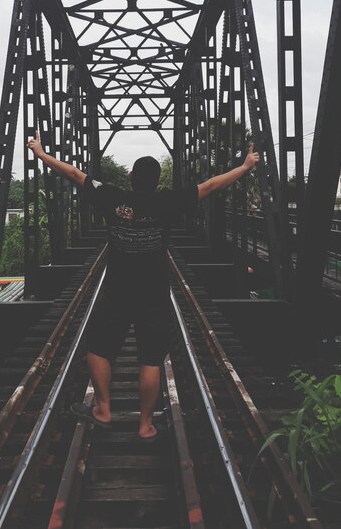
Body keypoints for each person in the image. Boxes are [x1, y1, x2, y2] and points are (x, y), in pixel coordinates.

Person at [27, 132, 260, 441]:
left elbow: (73, 174)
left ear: (131, 176)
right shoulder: (169, 201)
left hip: (117, 290)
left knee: (97, 349)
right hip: (154, 291)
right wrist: (245, 167)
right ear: (158, 180)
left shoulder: (111, 197)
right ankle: (146, 425)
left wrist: (42, 155)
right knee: (151, 358)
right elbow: (211, 186)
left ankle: (103, 409)